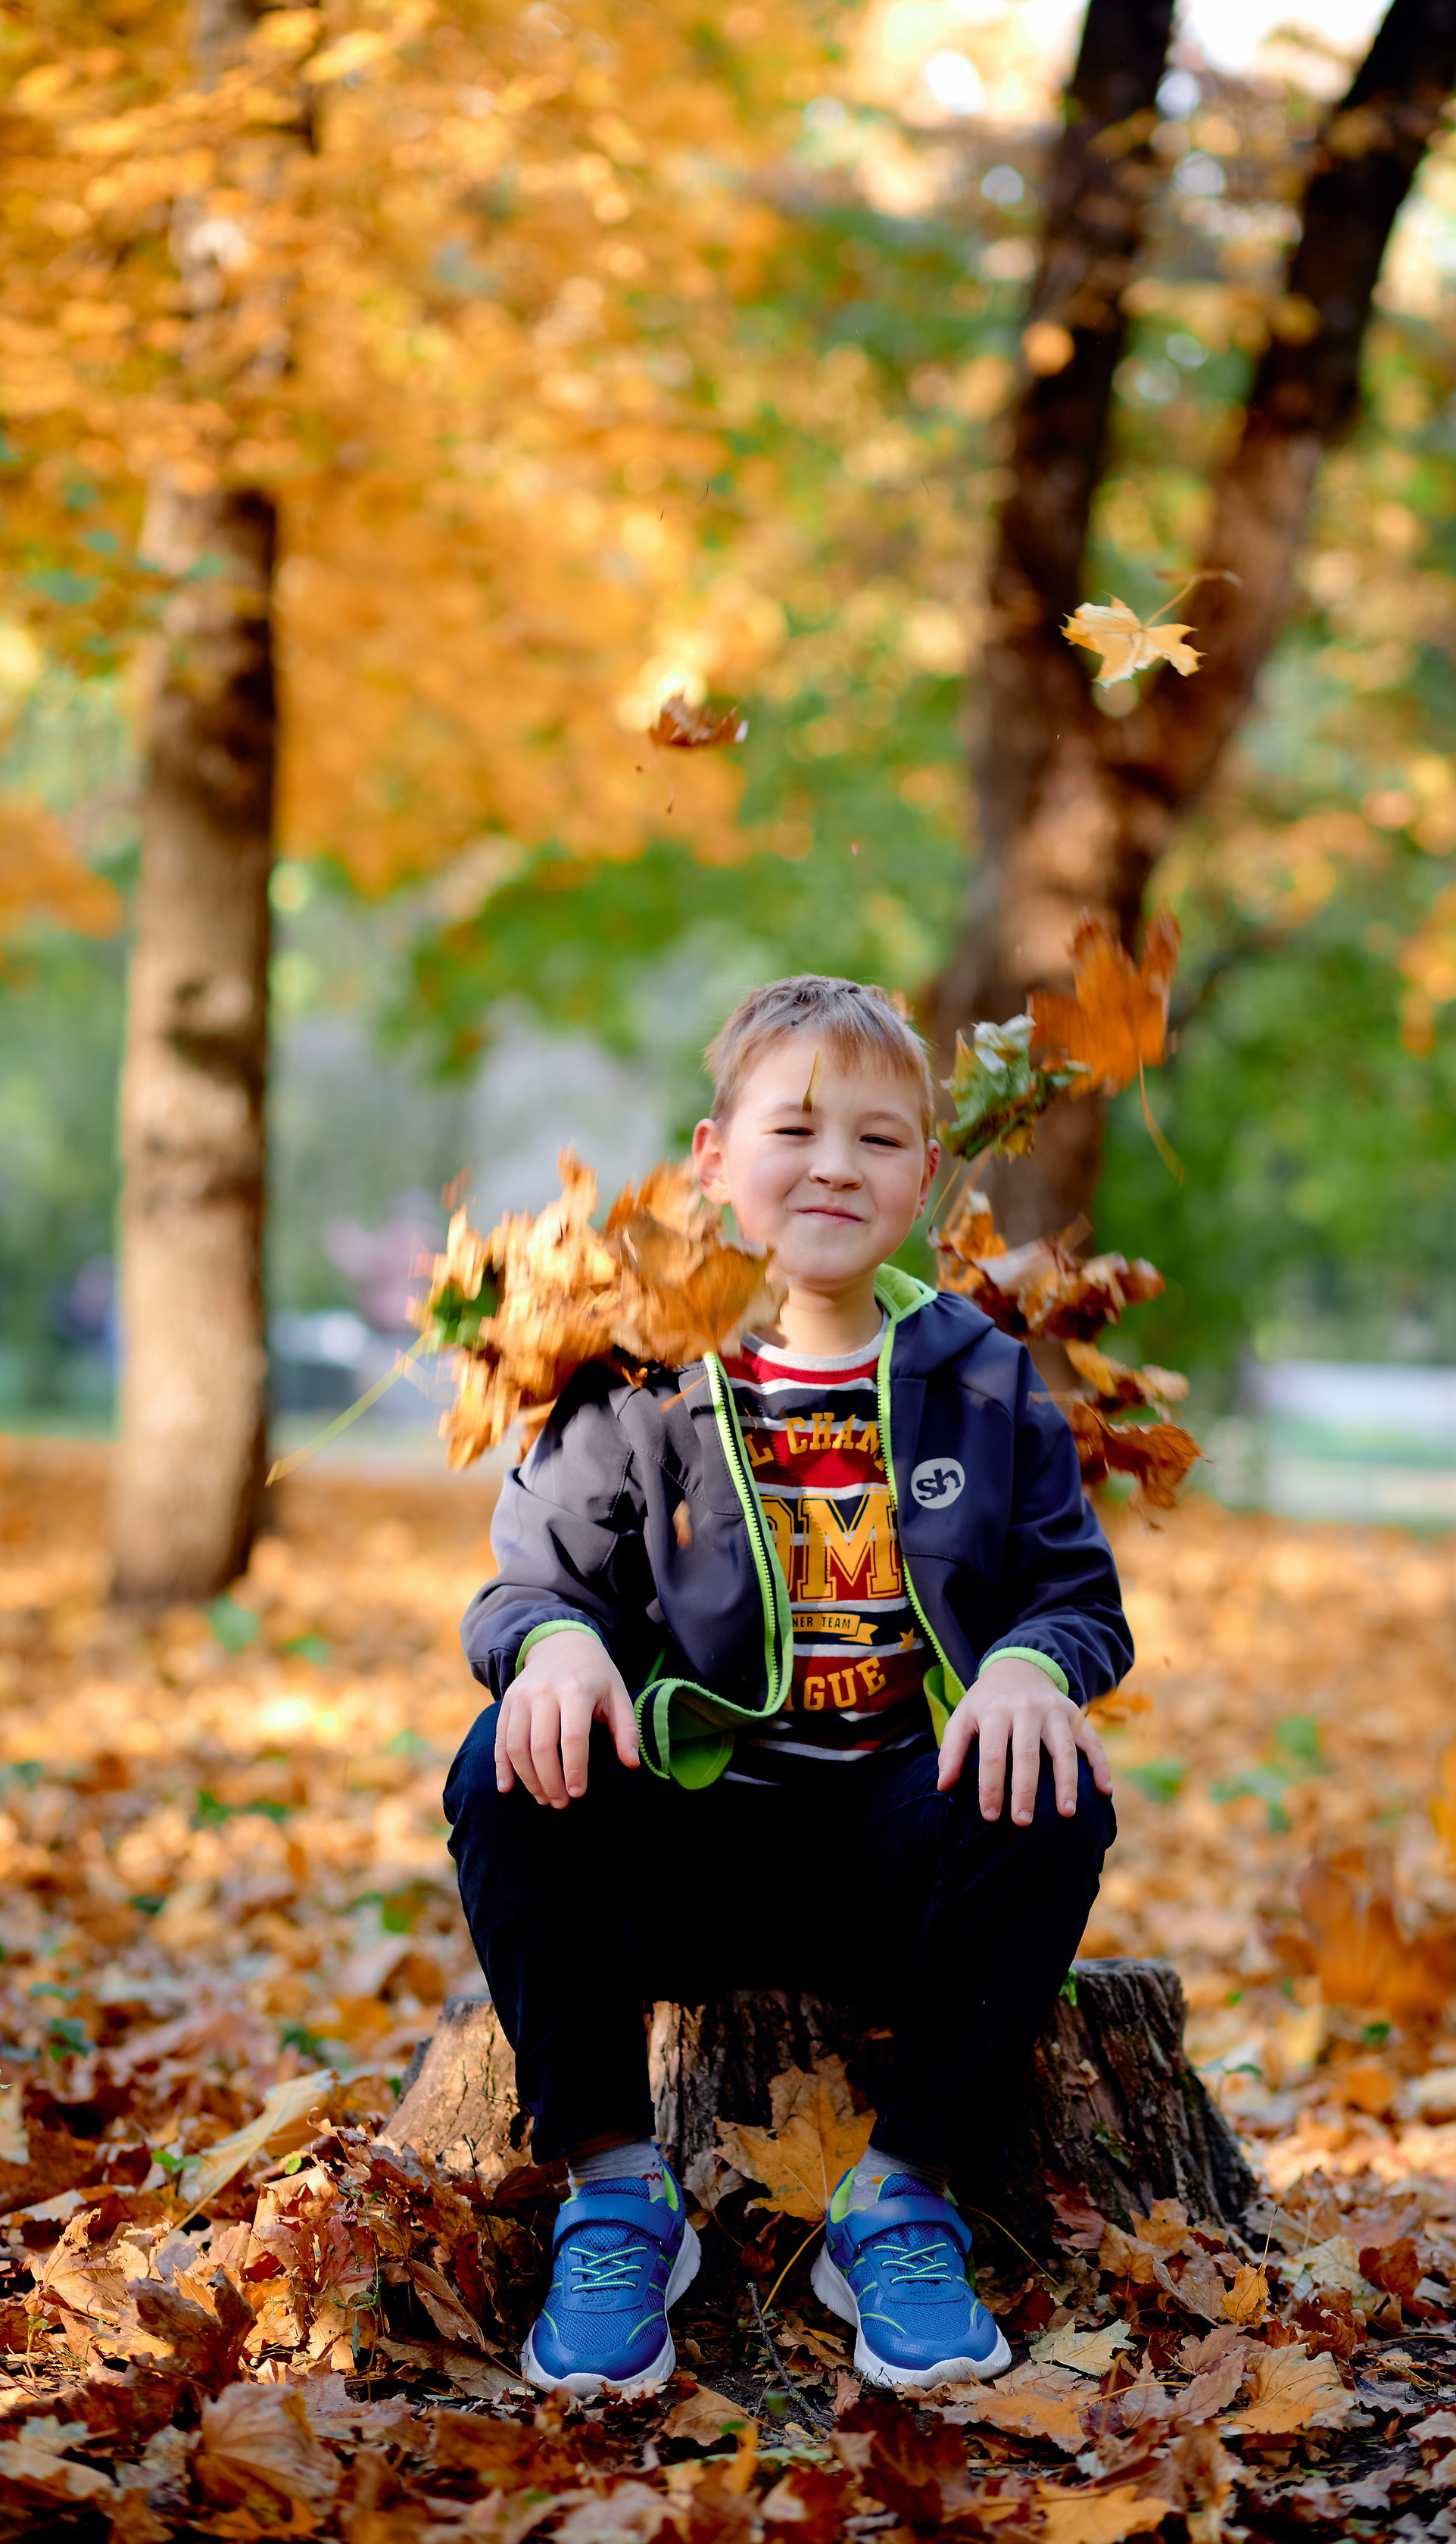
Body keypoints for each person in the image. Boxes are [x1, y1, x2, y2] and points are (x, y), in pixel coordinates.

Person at [447, 975, 1132, 2398]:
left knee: (1051, 1786)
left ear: (927, 1180)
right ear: (714, 1158)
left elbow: (1074, 1597)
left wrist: (1025, 1667)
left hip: (887, 1857)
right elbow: (526, 1587)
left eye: (881, 1142)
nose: (836, 1165)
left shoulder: (986, 1383)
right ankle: (617, 2191)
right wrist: (560, 1648)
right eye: (797, 1129)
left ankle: (902, 2196)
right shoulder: (636, 1384)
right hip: (676, 1857)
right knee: (501, 1762)